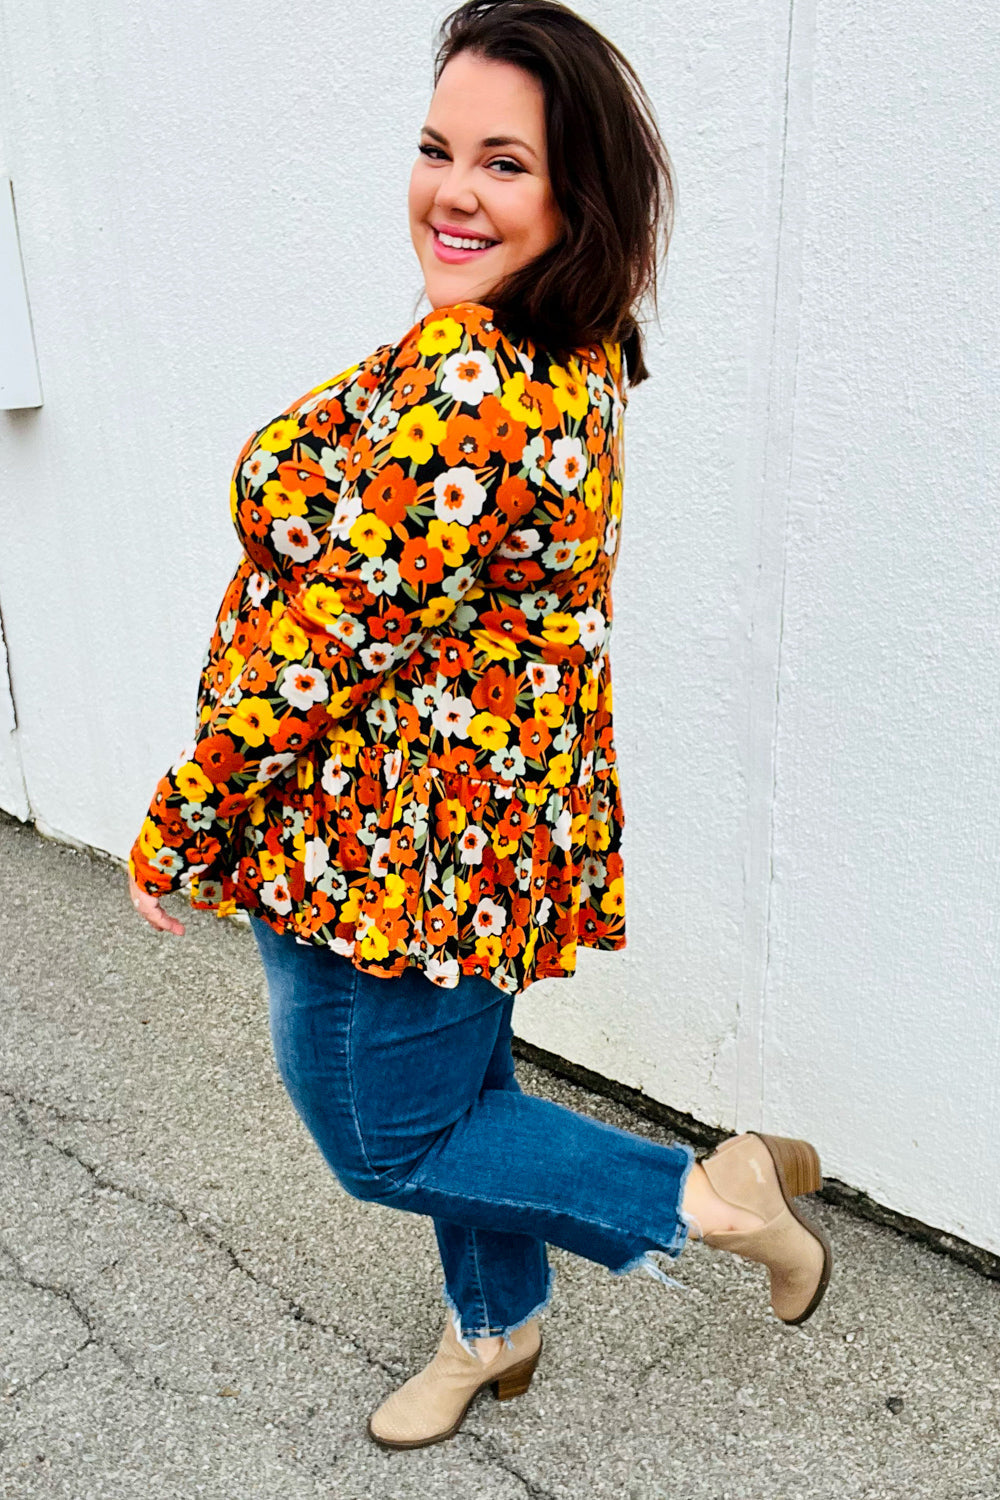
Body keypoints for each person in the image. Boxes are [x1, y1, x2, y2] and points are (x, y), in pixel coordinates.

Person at [128, 0, 832, 1452]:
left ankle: (714, 1199)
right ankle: (495, 1327)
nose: (453, 191)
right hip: (454, 826)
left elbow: (327, 645)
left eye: (504, 163)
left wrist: (183, 822)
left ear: (578, 196)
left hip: (386, 839)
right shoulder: (550, 338)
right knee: (466, 1093)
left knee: (391, 1138)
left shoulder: (478, 386)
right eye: (438, 148)